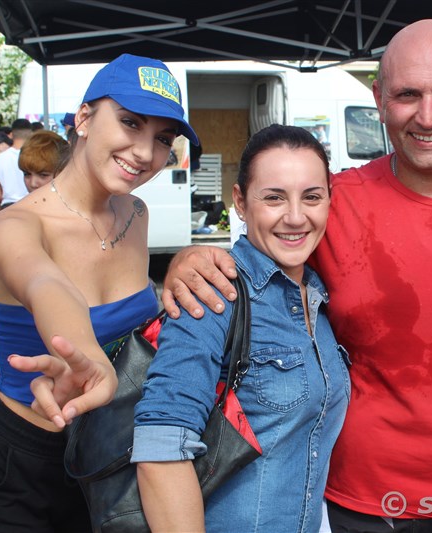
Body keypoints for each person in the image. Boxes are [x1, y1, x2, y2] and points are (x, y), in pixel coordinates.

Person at [162, 19, 432, 531]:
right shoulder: (332, 204)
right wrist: (188, 258)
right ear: (380, 99)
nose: (427, 115)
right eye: (408, 94)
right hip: (359, 506)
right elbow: (259, 257)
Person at [0, 53, 198, 532]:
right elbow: (47, 285)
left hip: (107, 457)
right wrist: (84, 354)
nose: (145, 152)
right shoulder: (16, 225)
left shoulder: (136, 214)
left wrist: (183, 264)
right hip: (17, 465)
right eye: (130, 122)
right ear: (84, 118)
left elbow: (138, 309)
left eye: (163, 139)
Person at [132, 124, 348, 532]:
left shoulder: (318, 296)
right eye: (274, 198)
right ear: (240, 202)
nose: (296, 217)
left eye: (312, 197)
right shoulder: (215, 292)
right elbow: (161, 447)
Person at [0, 118, 32, 207]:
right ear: (31, 134)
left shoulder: (0, 159)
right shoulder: (37, 156)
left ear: (11, 135)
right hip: (32, 204)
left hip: (8, 206)